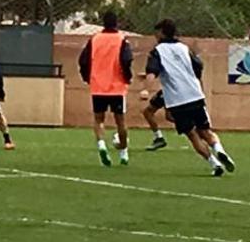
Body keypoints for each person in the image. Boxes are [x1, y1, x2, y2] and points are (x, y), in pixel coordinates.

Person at [144, 19, 236, 177]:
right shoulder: (184, 48)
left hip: (177, 100)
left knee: (192, 135)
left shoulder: (157, 51)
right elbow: (198, 66)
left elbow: (152, 72)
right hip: (195, 94)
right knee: (206, 131)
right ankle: (219, 150)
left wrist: (145, 89)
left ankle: (215, 163)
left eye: (156, 32)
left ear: (161, 33)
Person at [78, 12, 133, 167]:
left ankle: (101, 145)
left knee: (98, 119)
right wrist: (128, 77)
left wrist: (87, 77)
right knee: (120, 121)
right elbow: (126, 60)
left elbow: (83, 60)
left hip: (98, 86)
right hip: (117, 86)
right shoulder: (121, 39)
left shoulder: (94, 39)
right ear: (117, 23)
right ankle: (124, 153)